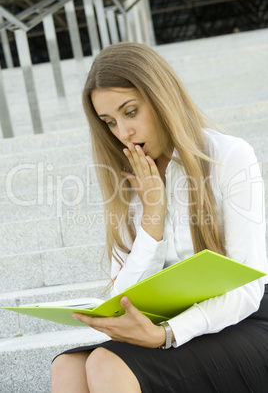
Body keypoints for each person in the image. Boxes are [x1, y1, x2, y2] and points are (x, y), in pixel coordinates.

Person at [51, 42, 268, 392]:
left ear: (161, 97)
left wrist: (166, 334)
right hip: (166, 321)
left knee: (107, 364)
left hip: (246, 320)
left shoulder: (229, 156)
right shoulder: (126, 179)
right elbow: (120, 303)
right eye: (110, 122)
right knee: (68, 367)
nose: (123, 133)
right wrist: (153, 214)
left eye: (131, 112)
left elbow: (248, 288)